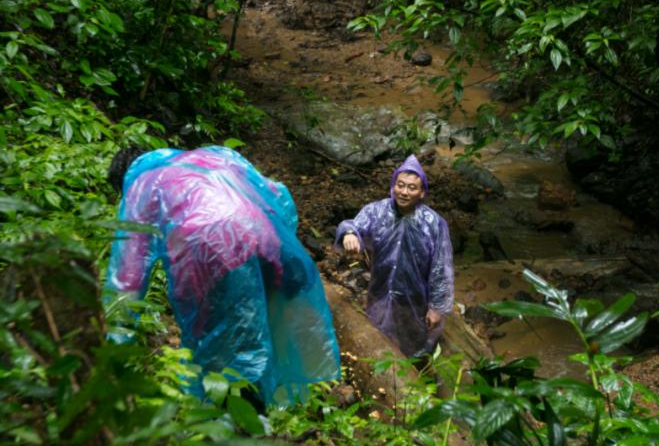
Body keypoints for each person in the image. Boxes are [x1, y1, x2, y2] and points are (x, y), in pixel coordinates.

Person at [104, 145, 341, 407]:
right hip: (265, 240)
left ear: (123, 180)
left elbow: (128, 276)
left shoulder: (141, 183)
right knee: (257, 329)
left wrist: (114, 343)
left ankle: (241, 420)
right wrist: (281, 244)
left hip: (210, 252)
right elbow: (277, 193)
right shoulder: (214, 156)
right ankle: (274, 406)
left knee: (223, 344)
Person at [334, 154, 454, 358]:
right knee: (378, 336)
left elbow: (441, 268)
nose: (404, 192)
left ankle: (412, 376)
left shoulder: (434, 223)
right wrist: (349, 233)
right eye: (400, 185)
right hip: (380, 290)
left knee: (413, 343)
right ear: (393, 186)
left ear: (422, 192)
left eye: (412, 188)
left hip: (415, 298)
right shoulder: (377, 211)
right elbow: (353, 224)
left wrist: (436, 308)